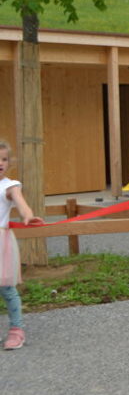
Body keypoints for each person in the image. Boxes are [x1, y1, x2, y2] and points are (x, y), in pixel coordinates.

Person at [0, 140, 44, 350]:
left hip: (1, 243)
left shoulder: (9, 186)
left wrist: (28, 215)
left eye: (4, 159)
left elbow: (20, 201)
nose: (1, 163)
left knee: (6, 289)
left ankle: (16, 330)